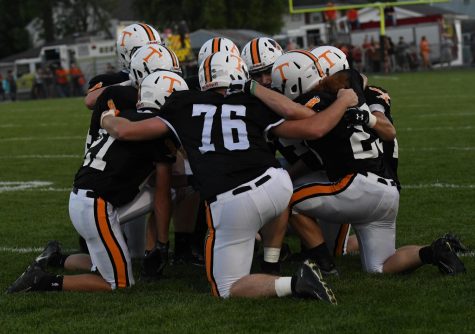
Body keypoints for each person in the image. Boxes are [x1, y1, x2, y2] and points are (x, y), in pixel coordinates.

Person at [100, 51, 358, 301]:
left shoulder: (183, 105)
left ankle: (296, 282)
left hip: (232, 200)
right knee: (276, 191)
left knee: (226, 287)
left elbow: (127, 132)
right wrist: (344, 101)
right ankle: (270, 263)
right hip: (276, 185)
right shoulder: (254, 102)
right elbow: (313, 125)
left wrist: (107, 119)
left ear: (203, 80)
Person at [6, 71, 187, 294]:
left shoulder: (127, 114)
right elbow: (162, 190)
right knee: (119, 283)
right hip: (98, 206)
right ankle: (42, 282)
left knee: (107, 261)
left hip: (83, 198)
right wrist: (162, 243)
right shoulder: (157, 131)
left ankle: (57, 258)